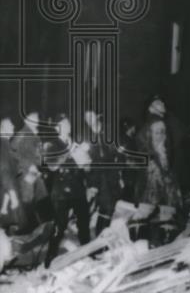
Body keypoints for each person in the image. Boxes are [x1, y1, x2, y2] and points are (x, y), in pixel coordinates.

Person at [43, 114, 90, 268]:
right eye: (65, 123)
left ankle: (88, 254)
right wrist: (71, 150)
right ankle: (49, 260)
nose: (69, 125)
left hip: (77, 188)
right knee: (60, 226)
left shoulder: (73, 142)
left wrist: (84, 158)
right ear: (57, 127)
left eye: (69, 123)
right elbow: (52, 165)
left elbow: (84, 166)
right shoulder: (51, 144)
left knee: (84, 223)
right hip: (61, 192)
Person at [136, 97, 184, 236]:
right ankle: (162, 239)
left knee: (152, 205)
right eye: (159, 102)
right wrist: (163, 169)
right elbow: (160, 148)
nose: (163, 103)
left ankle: (140, 237)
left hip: (152, 167)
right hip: (157, 168)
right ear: (152, 107)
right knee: (163, 205)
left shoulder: (149, 123)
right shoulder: (158, 123)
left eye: (162, 101)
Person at [9, 111, 50, 230]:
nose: (36, 121)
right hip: (27, 176)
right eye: (33, 118)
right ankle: (26, 232)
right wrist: (28, 166)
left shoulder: (35, 135)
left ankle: (42, 230)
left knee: (40, 202)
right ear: (26, 121)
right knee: (28, 204)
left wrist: (43, 159)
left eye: (37, 118)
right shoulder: (21, 134)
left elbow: (38, 157)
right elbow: (12, 154)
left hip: (36, 175)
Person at [83, 110, 120, 235]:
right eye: (86, 118)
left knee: (112, 205)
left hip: (112, 174)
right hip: (97, 176)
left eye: (90, 116)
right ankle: (100, 238)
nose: (88, 120)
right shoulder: (85, 137)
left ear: (97, 115)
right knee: (106, 206)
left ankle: (106, 235)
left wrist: (119, 173)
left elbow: (118, 153)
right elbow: (86, 160)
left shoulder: (109, 131)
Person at [0, 117, 24, 231]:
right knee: (13, 229)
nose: (13, 126)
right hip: (8, 195)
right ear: (2, 128)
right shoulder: (3, 144)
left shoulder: (6, 144)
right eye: (10, 125)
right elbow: (4, 170)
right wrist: (12, 194)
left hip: (7, 192)